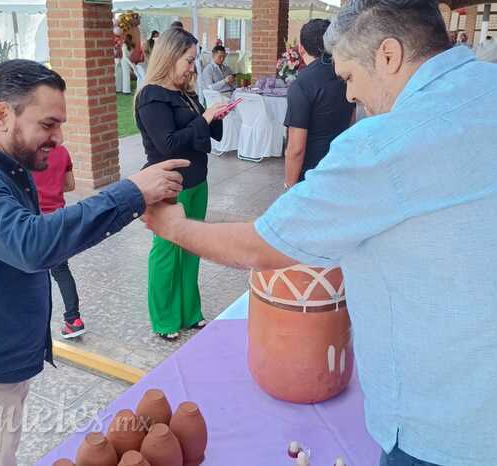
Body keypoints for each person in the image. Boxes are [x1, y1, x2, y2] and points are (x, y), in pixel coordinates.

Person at [142, 1, 497, 465]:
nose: (350, 95)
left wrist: (172, 224)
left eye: (349, 77)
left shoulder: (385, 142)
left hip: (444, 423)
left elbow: (260, 247)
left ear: (388, 55)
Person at [0, 59, 190, 465]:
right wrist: (131, 192)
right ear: (2, 115)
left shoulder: (4, 166)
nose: (58, 138)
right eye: (48, 124)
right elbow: (33, 244)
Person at [135, 28, 225, 340]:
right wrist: (204, 119)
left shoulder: (185, 93)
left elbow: (205, 132)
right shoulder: (152, 96)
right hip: (169, 184)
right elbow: (169, 144)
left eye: (194, 60)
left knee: (191, 247)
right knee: (167, 251)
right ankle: (165, 319)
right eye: (188, 60)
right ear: (171, 57)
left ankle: (189, 312)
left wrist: (217, 116)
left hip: (197, 181)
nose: (192, 67)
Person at [283, 19, 355, 188]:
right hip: (340, 164)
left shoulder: (302, 84)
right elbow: (351, 121)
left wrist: (289, 187)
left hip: (311, 173)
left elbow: (296, 148)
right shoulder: (346, 74)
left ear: (301, 48)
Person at [31, 145, 85, 338]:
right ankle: (74, 320)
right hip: (58, 220)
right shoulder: (62, 152)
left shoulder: (23, 152)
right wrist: (51, 186)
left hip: (32, 221)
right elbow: (70, 185)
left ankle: (30, 324)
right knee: (61, 271)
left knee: (29, 274)